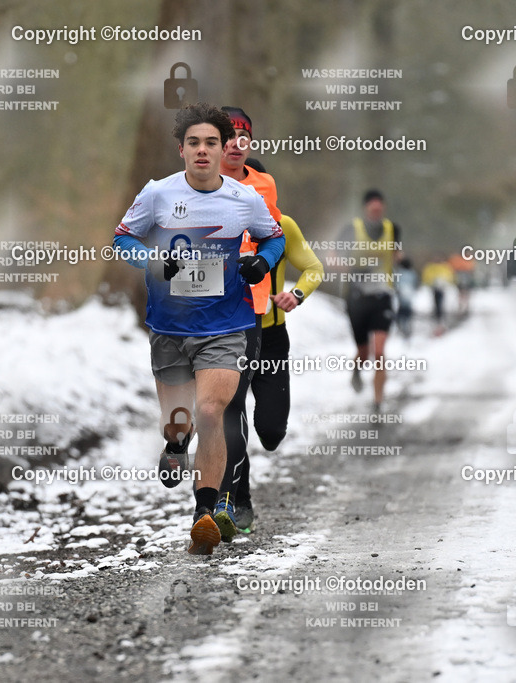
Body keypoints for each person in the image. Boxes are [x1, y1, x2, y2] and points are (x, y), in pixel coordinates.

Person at [113, 102, 285, 555]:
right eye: (194, 143)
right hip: (170, 326)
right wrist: (150, 260)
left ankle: (205, 512)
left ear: (224, 147)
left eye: (212, 142)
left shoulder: (244, 198)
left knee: (212, 411)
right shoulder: (157, 194)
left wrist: (261, 262)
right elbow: (122, 237)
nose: (203, 151)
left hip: (227, 325)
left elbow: (275, 236)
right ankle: (174, 446)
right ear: (181, 149)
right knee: (180, 422)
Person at [214, 107, 323, 537]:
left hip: (274, 336)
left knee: (272, 431)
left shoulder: (282, 225)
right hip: (235, 329)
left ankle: (245, 475)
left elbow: (313, 268)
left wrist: (294, 293)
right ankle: (237, 497)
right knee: (230, 411)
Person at [336, 190, 403, 413]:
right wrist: (354, 269)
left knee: (380, 351)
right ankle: (356, 369)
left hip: (383, 296)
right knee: (364, 352)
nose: (376, 209)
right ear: (366, 207)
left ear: (383, 207)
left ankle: (377, 401)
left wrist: (403, 262)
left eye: (379, 206)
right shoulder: (351, 229)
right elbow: (332, 257)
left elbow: (396, 255)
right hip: (357, 298)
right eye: (372, 206)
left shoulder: (393, 229)